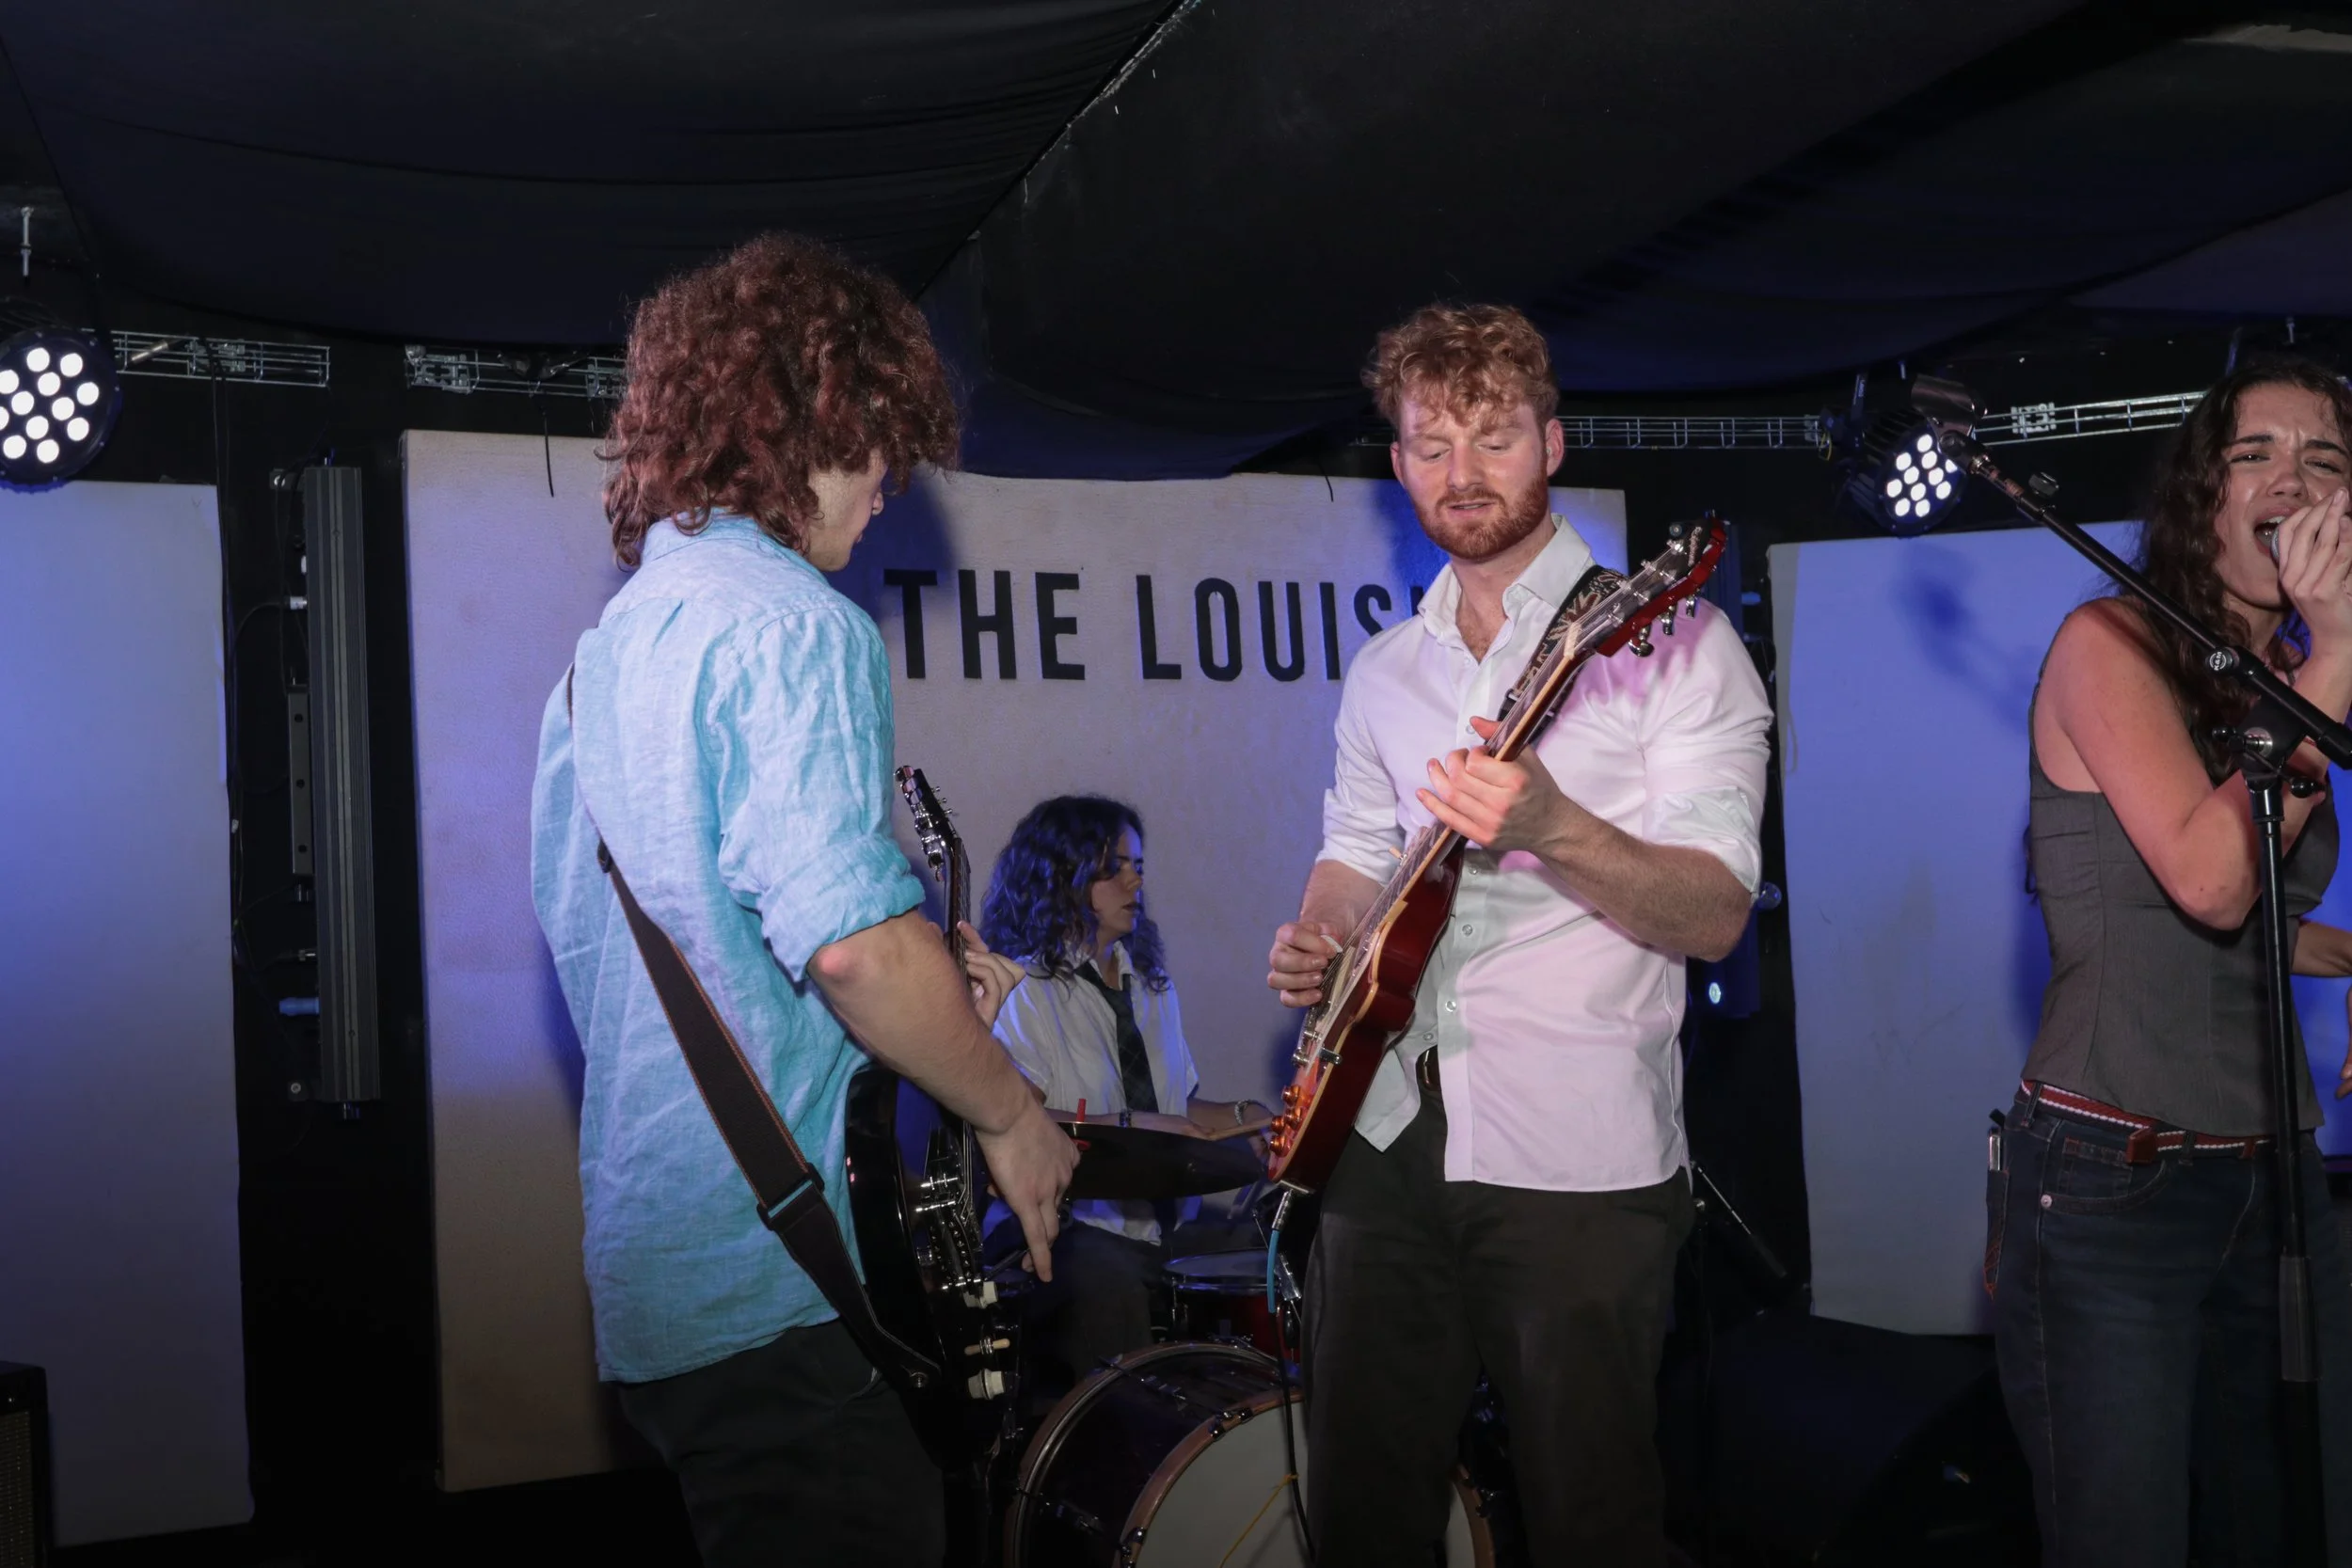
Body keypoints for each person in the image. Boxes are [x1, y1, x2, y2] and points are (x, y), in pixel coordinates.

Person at [530, 232, 1076, 1568]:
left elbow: (673, 949)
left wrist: (917, 984)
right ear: (813, 416)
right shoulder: (793, 625)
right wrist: (1008, 1108)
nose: (889, 485)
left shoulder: (603, 659)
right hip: (786, 1284)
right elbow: (845, 952)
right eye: (882, 438)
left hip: (665, 1279)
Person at [1264, 302, 1772, 1565]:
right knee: (1365, 1518)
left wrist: (1554, 821)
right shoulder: (1386, 668)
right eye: (1431, 444)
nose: (1461, 473)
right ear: (1397, 466)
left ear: (1551, 442)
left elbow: (1713, 912)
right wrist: (1323, 932)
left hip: (1578, 1153)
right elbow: (1358, 848)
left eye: (1492, 438)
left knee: (1591, 1519)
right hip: (1380, 1131)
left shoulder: (1675, 641)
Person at [1994, 354, 2352, 1565]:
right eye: (2255, 452)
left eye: (2325, 457)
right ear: (2204, 493)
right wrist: (2335, 659)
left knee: (2297, 1519)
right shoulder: (2110, 642)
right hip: (2113, 1181)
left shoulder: (2276, 679)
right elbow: (2206, 878)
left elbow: (2251, 924)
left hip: (2280, 1178)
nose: (2291, 476)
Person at [978, 795, 1269, 1395]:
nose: (1136, 879)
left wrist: (1251, 1117)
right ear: (1064, 876)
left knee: (1269, 1255)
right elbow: (1017, 1118)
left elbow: (1176, 1112)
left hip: (1155, 1227)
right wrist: (1131, 1123)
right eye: (1115, 866)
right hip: (1063, 1229)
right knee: (1103, 1282)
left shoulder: (1150, 985)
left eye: (1137, 864)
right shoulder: (1022, 990)